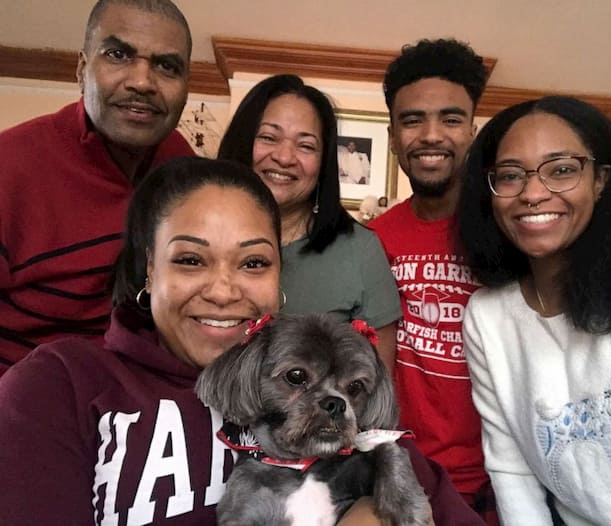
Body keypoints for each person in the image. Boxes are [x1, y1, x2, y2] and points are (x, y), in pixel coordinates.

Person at [0, 157, 482, 525]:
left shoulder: (343, 409)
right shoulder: (59, 382)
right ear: (150, 266)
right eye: (191, 259)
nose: (224, 291)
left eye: (253, 263)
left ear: (279, 275)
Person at [367, 38, 611, 524]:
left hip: (494, 487)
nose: (533, 193)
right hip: (412, 472)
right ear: (393, 135)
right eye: (413, 120)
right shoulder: (384, 246)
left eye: (562, 170)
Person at [459, 95, 611, 525]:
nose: (533, 193)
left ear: (601, 180)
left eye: (562, 169)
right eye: (510, 176)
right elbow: (511, 468)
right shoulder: (487, 316)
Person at [0, 0, 194, 375]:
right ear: (82, 69)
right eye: (119, 54)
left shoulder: (181, 167)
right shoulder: (11, 167)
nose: (142, 82)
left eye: (166, 66)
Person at [217, 74, 401, 370]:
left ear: (323, 162)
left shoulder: (360, 250)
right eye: (268, 137)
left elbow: (375, 388)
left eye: (306, 146)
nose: (285, 157)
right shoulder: (198, 234)